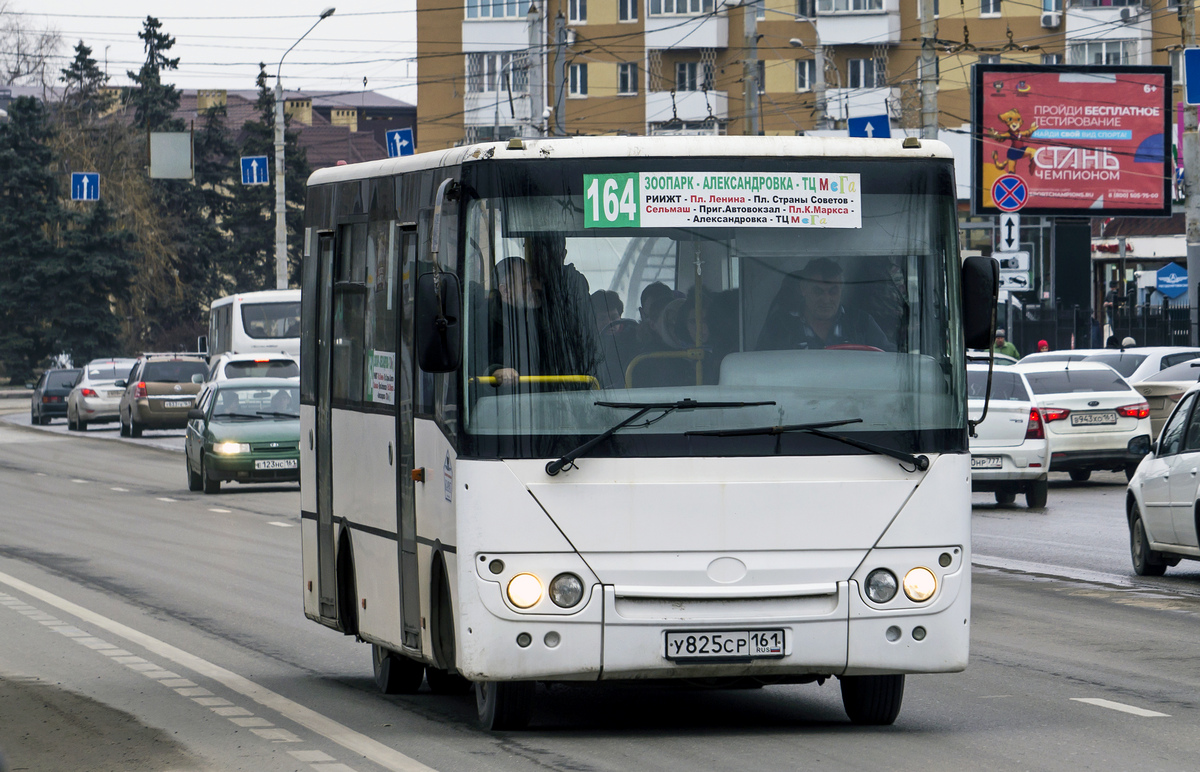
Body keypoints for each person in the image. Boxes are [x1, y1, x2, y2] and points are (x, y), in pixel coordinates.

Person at [757, 258, 893, 351]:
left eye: (833, 291)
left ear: (842, 290)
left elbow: (889, 361)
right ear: (803, 289)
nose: (826, 299)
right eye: (818, 291)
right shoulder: (779, 325)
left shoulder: (862, 323)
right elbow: (761, 367)